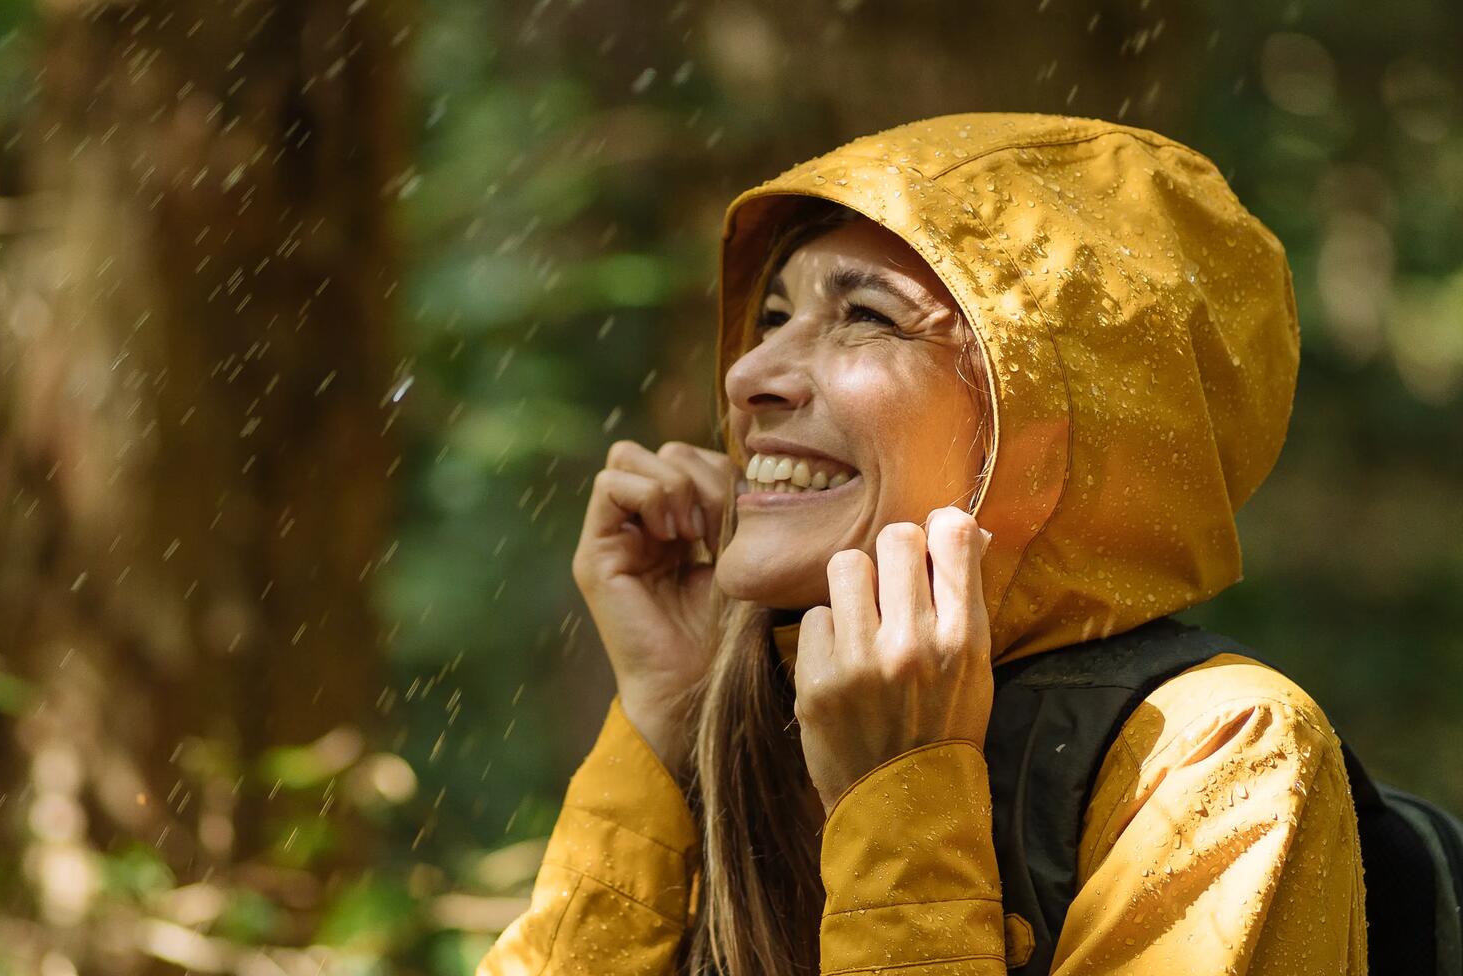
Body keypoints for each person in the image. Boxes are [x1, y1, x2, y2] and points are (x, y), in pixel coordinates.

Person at [478, 113, 1366, 975]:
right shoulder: (766, 706)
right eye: (773, 317)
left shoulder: (1219, 753)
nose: (748, 376)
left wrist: (904, 800)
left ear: (1061, 424)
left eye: (865, 317)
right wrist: (666, 718)